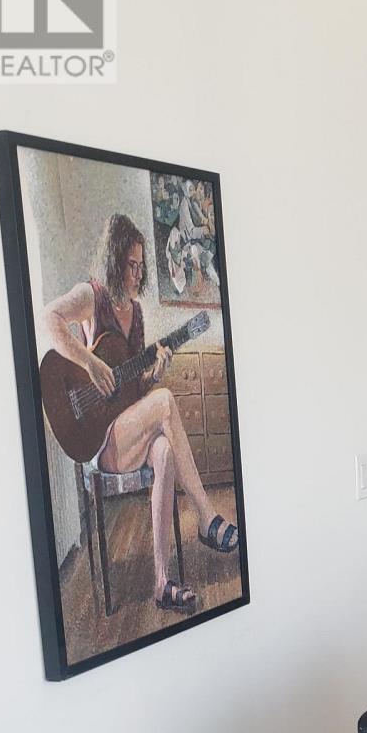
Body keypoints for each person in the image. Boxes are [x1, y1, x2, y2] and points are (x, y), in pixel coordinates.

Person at [43, 213, 237, 612]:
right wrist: (91, 363)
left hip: (126, 428)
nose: (138, 273)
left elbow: (133, 391)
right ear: (114, 261)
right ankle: (206, 517)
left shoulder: (138, 313)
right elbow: (50, 319)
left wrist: (153, 372)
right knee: (166, 401)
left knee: (164, 449)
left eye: (142, 265)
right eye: (131, 264)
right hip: (98, 439)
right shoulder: (91, 296)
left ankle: (162, 583)